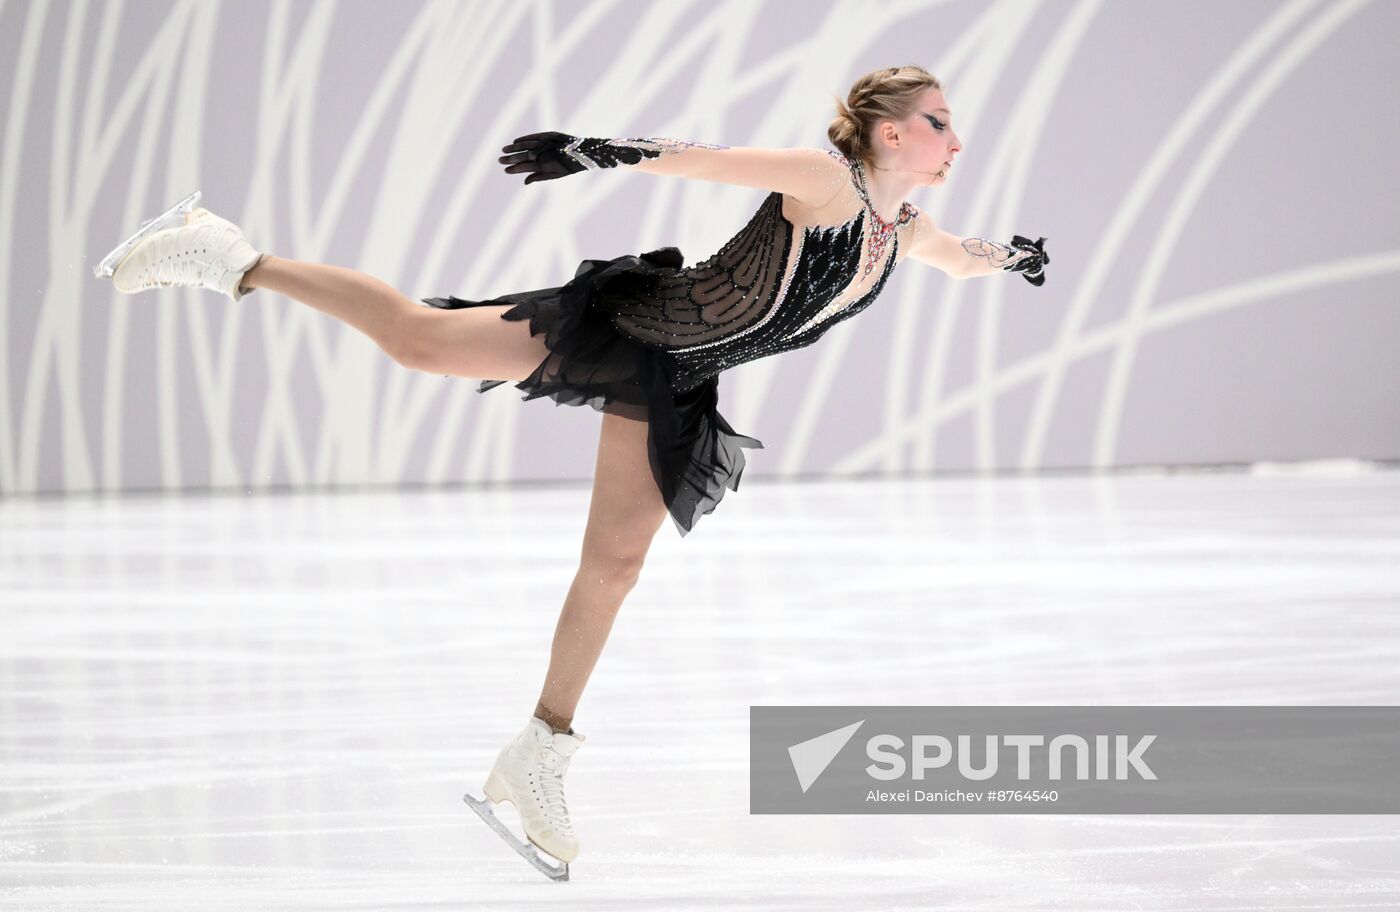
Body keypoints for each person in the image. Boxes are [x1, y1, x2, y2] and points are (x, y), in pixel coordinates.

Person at [94, 64, 1048, 876]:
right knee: (419, 341)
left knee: (618, 565)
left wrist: (1012, 256)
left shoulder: (898, 229)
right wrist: (599, 150)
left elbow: (958, 259)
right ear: (888, 131)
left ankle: (539, 748)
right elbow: (706, 162)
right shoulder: (825, 179)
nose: (954, 137)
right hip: (632, 324)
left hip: (678, 373)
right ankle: (226, 253)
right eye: (939, 120)